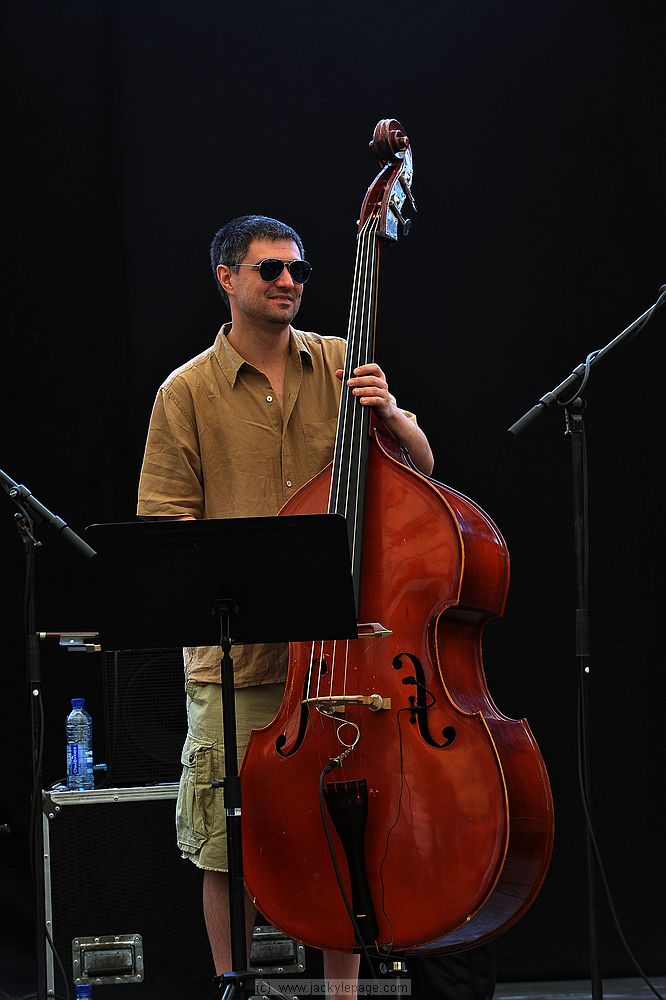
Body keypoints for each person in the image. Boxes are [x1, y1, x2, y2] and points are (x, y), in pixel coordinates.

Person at [137, 214, 434, 989]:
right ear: (227, 278)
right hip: (239, 661)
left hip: (342, 655)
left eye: (298, 270)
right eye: (270, 269)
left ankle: (343, 995)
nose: (288, 282)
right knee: (224, 845)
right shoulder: (186, 391)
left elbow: (421, 472)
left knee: (343, 835)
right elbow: (165, 522)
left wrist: (390, 416)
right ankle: (233, 986)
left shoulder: (340, 361)